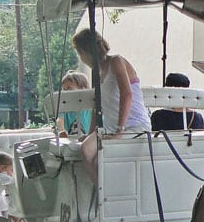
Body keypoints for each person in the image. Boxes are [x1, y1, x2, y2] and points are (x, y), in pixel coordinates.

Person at [71, 28, 151, 182]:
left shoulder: (115, 61)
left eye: (80, 53)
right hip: (110, 126)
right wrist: (89, 133)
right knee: (86, 151)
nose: (80, 58)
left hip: (134, 125)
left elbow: (127, 94)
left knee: (101, 156)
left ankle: (108, 194)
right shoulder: (97, 72)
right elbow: (98, 107)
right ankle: (101, 194)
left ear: (86, 51)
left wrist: (120, 131)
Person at [57, 70, 92, 138]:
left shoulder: (90, 108)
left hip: (88, 138)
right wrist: (62, 130)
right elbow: (60, 120)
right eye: (64, 89)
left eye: (69, 88)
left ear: (83, 89)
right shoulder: (65, 108)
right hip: (70, 140)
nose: (65, 92)